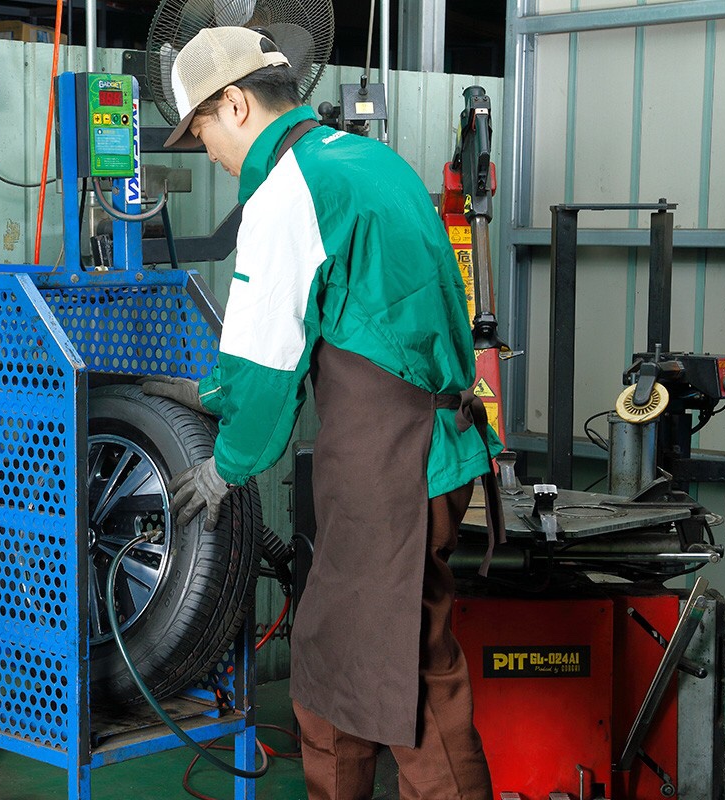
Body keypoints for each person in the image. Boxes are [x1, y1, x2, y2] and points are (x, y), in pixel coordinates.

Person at [138, 25, 505, 800]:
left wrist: (225, 464)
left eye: (201, 129)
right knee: (335, 665)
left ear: (235, 105)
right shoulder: (367, 162)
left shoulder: (287, 193)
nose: (205, 150)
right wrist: (211, 397)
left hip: (392, 468)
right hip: (427, 448)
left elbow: (269, 358)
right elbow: (347, 319)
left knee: (410, 679)